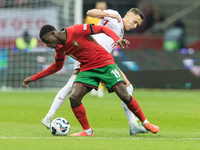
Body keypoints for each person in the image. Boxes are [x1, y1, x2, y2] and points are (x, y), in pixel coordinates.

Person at [23, 23, 159, 136]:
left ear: (53, 34)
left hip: (105, 63)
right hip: (87, 69)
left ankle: (145, 123)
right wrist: (33, 78)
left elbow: (101, 28)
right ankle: (87, 131)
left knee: (123, 94)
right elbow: (56, 67)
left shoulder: (75, 30)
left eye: (48, 42)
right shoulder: (59, 49)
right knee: (74, 97)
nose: (49, 46)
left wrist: (116, 38)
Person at [85, 0, 108, 97]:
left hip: (104, 44)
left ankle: (101, 88)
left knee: (103, 66)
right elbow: (86, 29)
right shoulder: (90, 17)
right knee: (92, 66)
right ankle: (93, 86)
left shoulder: (108, 16)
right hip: (93, 44)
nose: (101, 5)